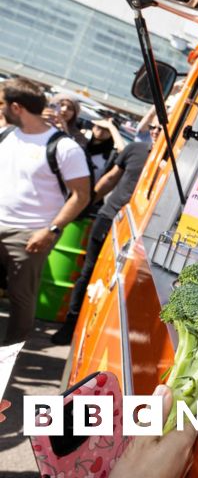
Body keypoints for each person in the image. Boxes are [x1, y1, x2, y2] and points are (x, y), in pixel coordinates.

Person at [50, 117, 158, 345]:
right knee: (88, 272)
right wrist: (85, 204)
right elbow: (109, 180)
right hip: (108, 217)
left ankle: (96, 334)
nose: (156, 131)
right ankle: (70, 325)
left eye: (160, 128)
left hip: (139, 231)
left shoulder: (174, 159)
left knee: (118, 283)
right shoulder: (135, 149)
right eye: (153, 128)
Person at [0, 78, 91, 343]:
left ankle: (7, 358)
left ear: (16, 107)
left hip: (29, 235)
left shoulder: (64, 148)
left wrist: (51, 230)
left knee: (20, 299)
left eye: (2, 104)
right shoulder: (6, 135)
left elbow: (81, 195)